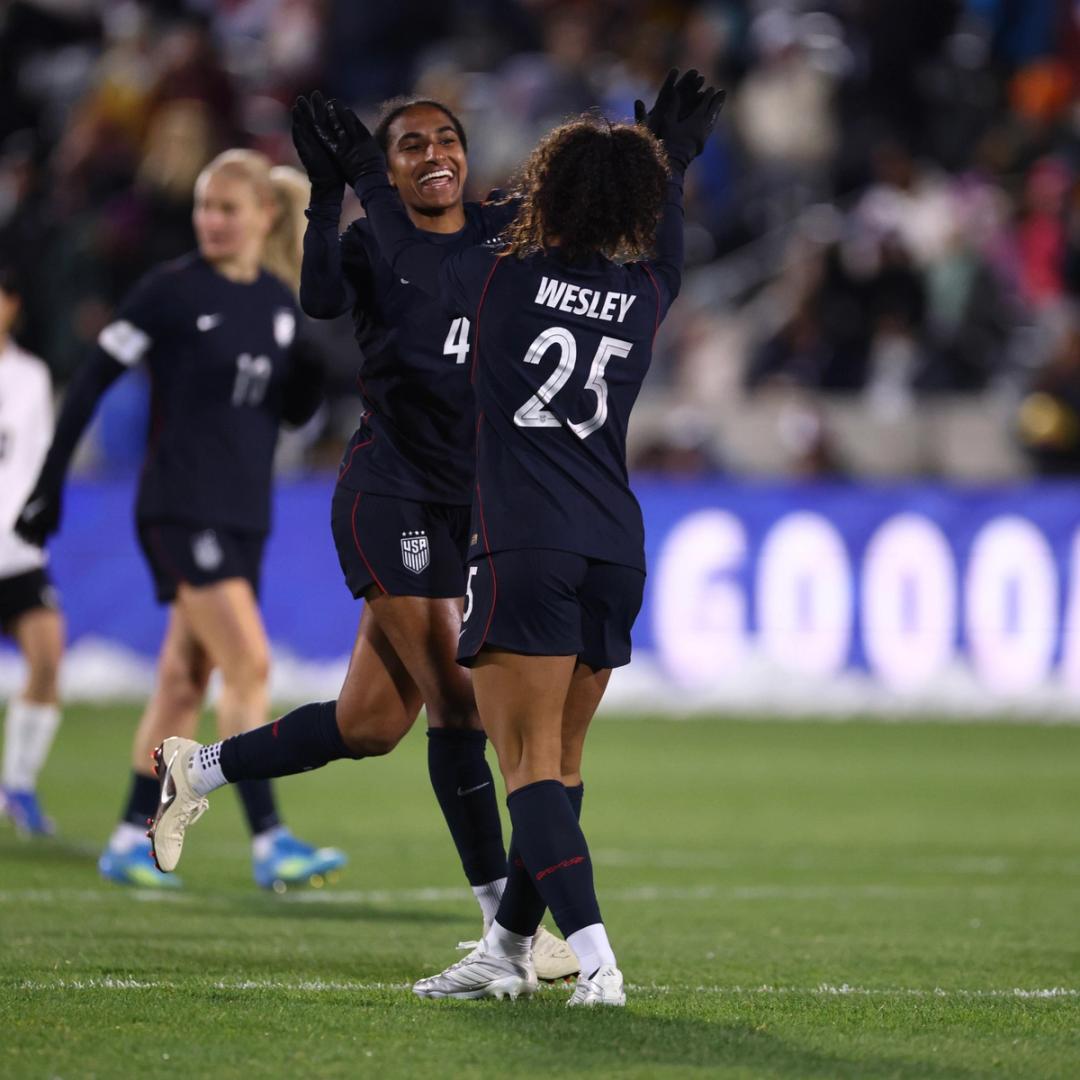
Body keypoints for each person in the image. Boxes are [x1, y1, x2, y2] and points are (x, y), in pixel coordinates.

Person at [146, 93, 578, 980]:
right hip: (392, 497)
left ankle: (202, 768)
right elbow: (318, 301)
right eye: (411, 145)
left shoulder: (501, 225)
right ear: (387, 169)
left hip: (468, 506)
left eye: (446, 138)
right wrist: (321, 191)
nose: (433, 154)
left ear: (467, 151)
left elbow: (572, 222)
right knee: (460, 704)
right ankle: (510, 932)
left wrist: (658, 163)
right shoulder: (371, 239)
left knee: (370, 724)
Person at [319, 70, 723, 1005]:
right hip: (618, 547)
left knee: (528, 769)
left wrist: (365, 180)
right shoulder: (651, 289)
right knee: (564, 768)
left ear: (549, 196)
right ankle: (503, 955)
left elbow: (418, 261)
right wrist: (672, 156)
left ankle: (597, 961)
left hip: (525, 545)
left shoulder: (501, 280)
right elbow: (666, 236)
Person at [15, 150, 345, 891]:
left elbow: (290, 412)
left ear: (265, 217)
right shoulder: (169, 291)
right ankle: (271, 839)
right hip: (178, 505)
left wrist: (311, 369)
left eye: (228, 209)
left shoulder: (275, 302)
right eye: (204, 207)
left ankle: (130, 840)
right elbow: (92, 381)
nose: (212, 222)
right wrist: (48, 484)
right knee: (250, 663)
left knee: (180, 684)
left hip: (244, 514)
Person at [0, 265, 65, 836]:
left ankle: (17, 787)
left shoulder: (31, 376)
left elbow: (42, 457)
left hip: (16, 551)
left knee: (46, 657)